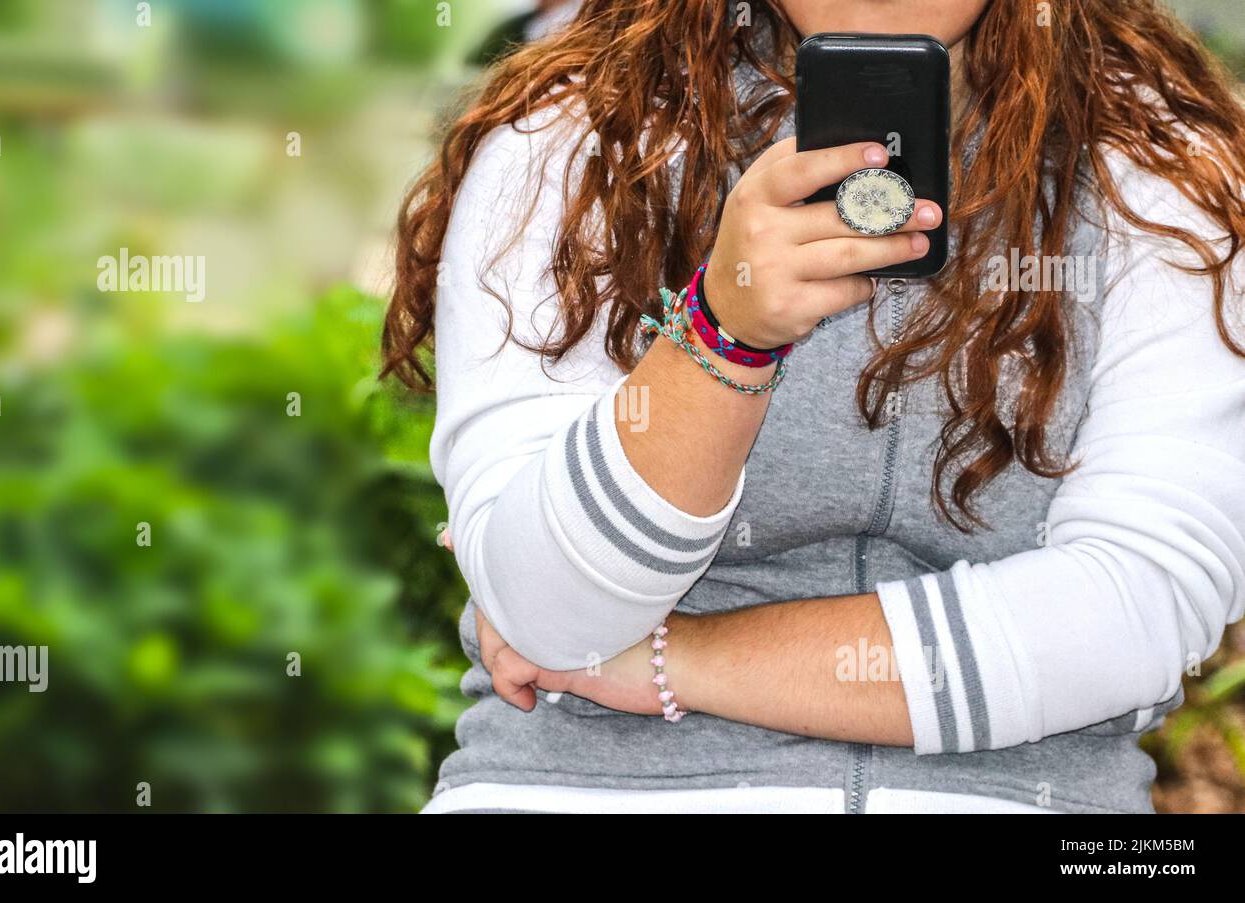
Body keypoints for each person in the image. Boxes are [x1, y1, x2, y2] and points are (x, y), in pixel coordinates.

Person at [383, 0, 1245, 813]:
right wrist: (724, 335)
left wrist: (674, 661)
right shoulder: (569, 143)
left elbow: (1138, 611)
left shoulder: (1159, 172)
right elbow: (553, 613)